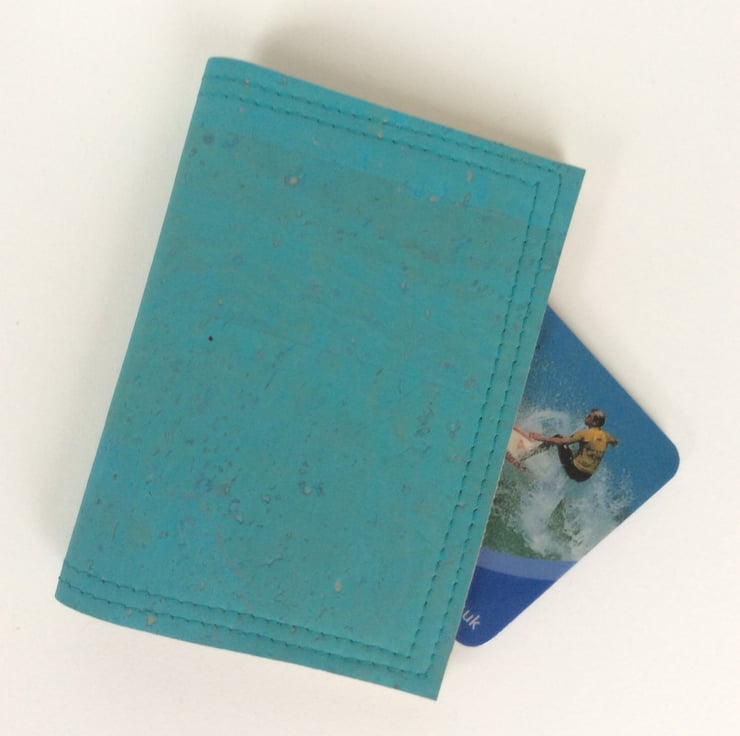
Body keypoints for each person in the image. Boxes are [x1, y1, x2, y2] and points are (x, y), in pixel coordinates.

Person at [543, 409, 618, 482]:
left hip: (574, 471)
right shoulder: (606, 436)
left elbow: (560, 442)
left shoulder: (584, 434)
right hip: (586, 476)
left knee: (558, 437)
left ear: (595, 422)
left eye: (589, 416)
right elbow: (615, 441)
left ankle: (536, 451)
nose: (586, 416)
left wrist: (541, 438)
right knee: (578, 447)